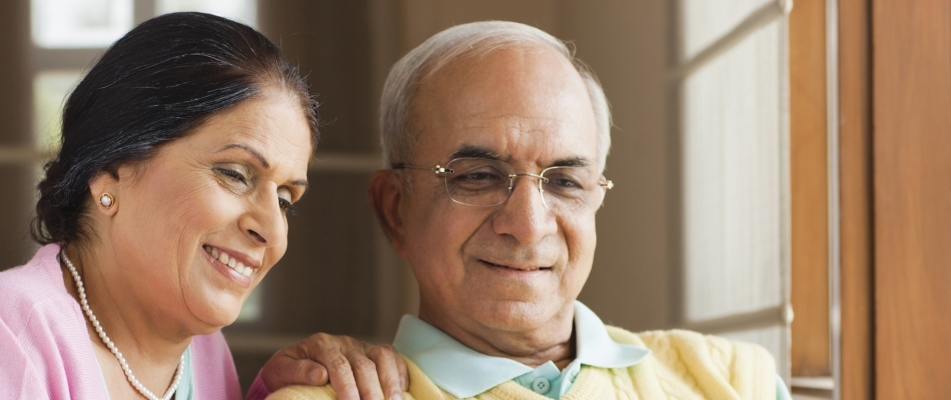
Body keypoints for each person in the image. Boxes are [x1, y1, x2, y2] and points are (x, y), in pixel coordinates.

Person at [0, 13, 406, 400]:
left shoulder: (203, 357)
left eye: (287, 198)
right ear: (114, 169)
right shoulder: (4, 333)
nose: (271, 229)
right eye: (237, 174)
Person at [267, 21, 792, 400]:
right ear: (395, 210)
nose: (527, 225)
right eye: (476, 176)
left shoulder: (729, 380)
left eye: (564, 181)